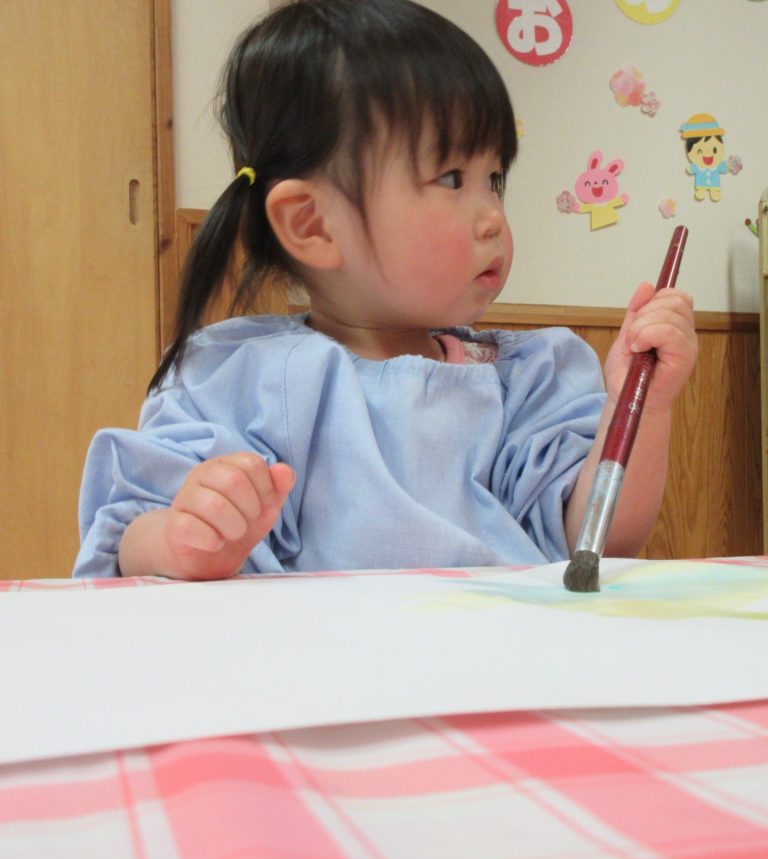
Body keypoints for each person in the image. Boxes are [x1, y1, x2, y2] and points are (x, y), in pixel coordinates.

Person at [73, 0, 697, 581]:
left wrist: (640, 404)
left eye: (494, 179)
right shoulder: (242, 380)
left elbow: (599, 540)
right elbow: (128, 532)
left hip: (506, 650)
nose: (492, 217)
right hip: (322, 660)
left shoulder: (525, 380)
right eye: (451, 178)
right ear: (312, 225)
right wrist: (182, 537)